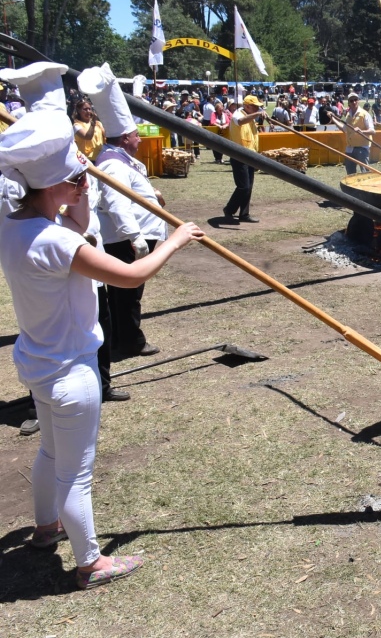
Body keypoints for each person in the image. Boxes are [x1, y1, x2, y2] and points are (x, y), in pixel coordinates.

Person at [0, 110, 203, 589]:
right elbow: (130, 275)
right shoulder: (55, 242)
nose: (82, 185)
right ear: (54, 185)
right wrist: (174, 240)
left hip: (39, 362)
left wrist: (78, 200)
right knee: (77, 471)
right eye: (76, 179)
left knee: (51, 453)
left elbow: (73, 221)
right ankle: (91, 563)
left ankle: (46, 529)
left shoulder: (14, 225)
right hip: (72, 370)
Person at [81, 62, 169, 361]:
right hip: (125, 240)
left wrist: (153, 194)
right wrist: (135, 236)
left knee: (127, 294)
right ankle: (129, 342)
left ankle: (125, 338)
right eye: (135, 134)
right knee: (126, 295)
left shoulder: (121, 161)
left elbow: (130, 191)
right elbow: (117, 203)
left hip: (131, 236)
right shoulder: (113, 164)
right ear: (124, 139)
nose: (139, 138)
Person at [223, 94, 264, 223]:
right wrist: (257, 115)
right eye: (255, 107)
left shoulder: (251, 118)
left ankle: (244, 214)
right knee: (243, 187)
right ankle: (229, 209)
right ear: (247, 106)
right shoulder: (237, 114)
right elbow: (240, 122)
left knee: (249, 186)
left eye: (258, 107)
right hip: (239, 155)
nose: (257, 109)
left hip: (250, 155)